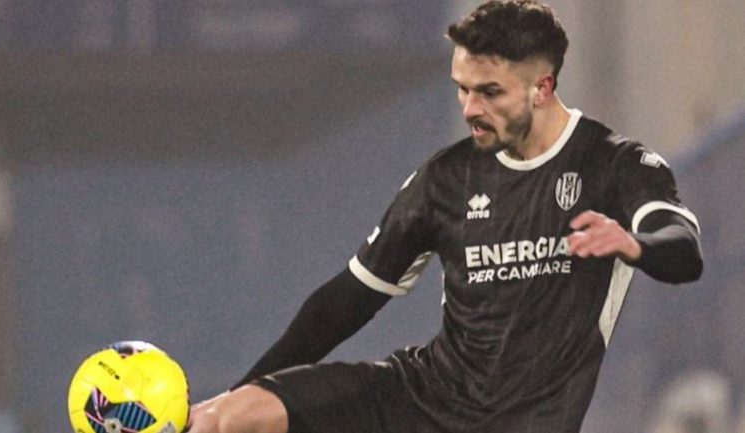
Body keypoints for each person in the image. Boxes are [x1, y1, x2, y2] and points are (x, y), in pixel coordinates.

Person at [187, 1, 703, 432]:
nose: (469, 108)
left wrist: (635, 245)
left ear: (542, 88)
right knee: (227, 419)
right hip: (419, 398)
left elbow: (682, 247)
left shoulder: (613, 163)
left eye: (489, 92)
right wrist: (245, 389)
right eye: (462, 87)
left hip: (527, 422)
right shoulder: (445, 179)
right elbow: (348, 300)